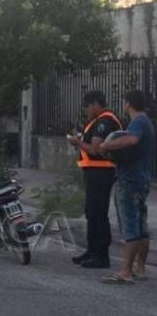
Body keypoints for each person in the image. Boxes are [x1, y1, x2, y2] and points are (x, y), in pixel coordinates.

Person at [99, 90, 154, 284]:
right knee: (140, 227)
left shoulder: (137, 122)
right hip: (142, 180)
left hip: (129, 181)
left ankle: (126, 272)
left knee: (130, 226)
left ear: (128, 103)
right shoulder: (146, 121)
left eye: (124, 101)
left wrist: (106, 146)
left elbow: (131, 140)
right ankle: (140, 268)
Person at [67, 91, 122, 269]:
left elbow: (96, 149)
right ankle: (91, 250)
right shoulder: (96, 121)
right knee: (91, 211)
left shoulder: (105, 122)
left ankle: (102, 255)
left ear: (96, 104)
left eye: (88, 106)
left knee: (98, 212)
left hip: (102, 173)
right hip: (93, 173)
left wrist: (77, 142)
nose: (87, 110)